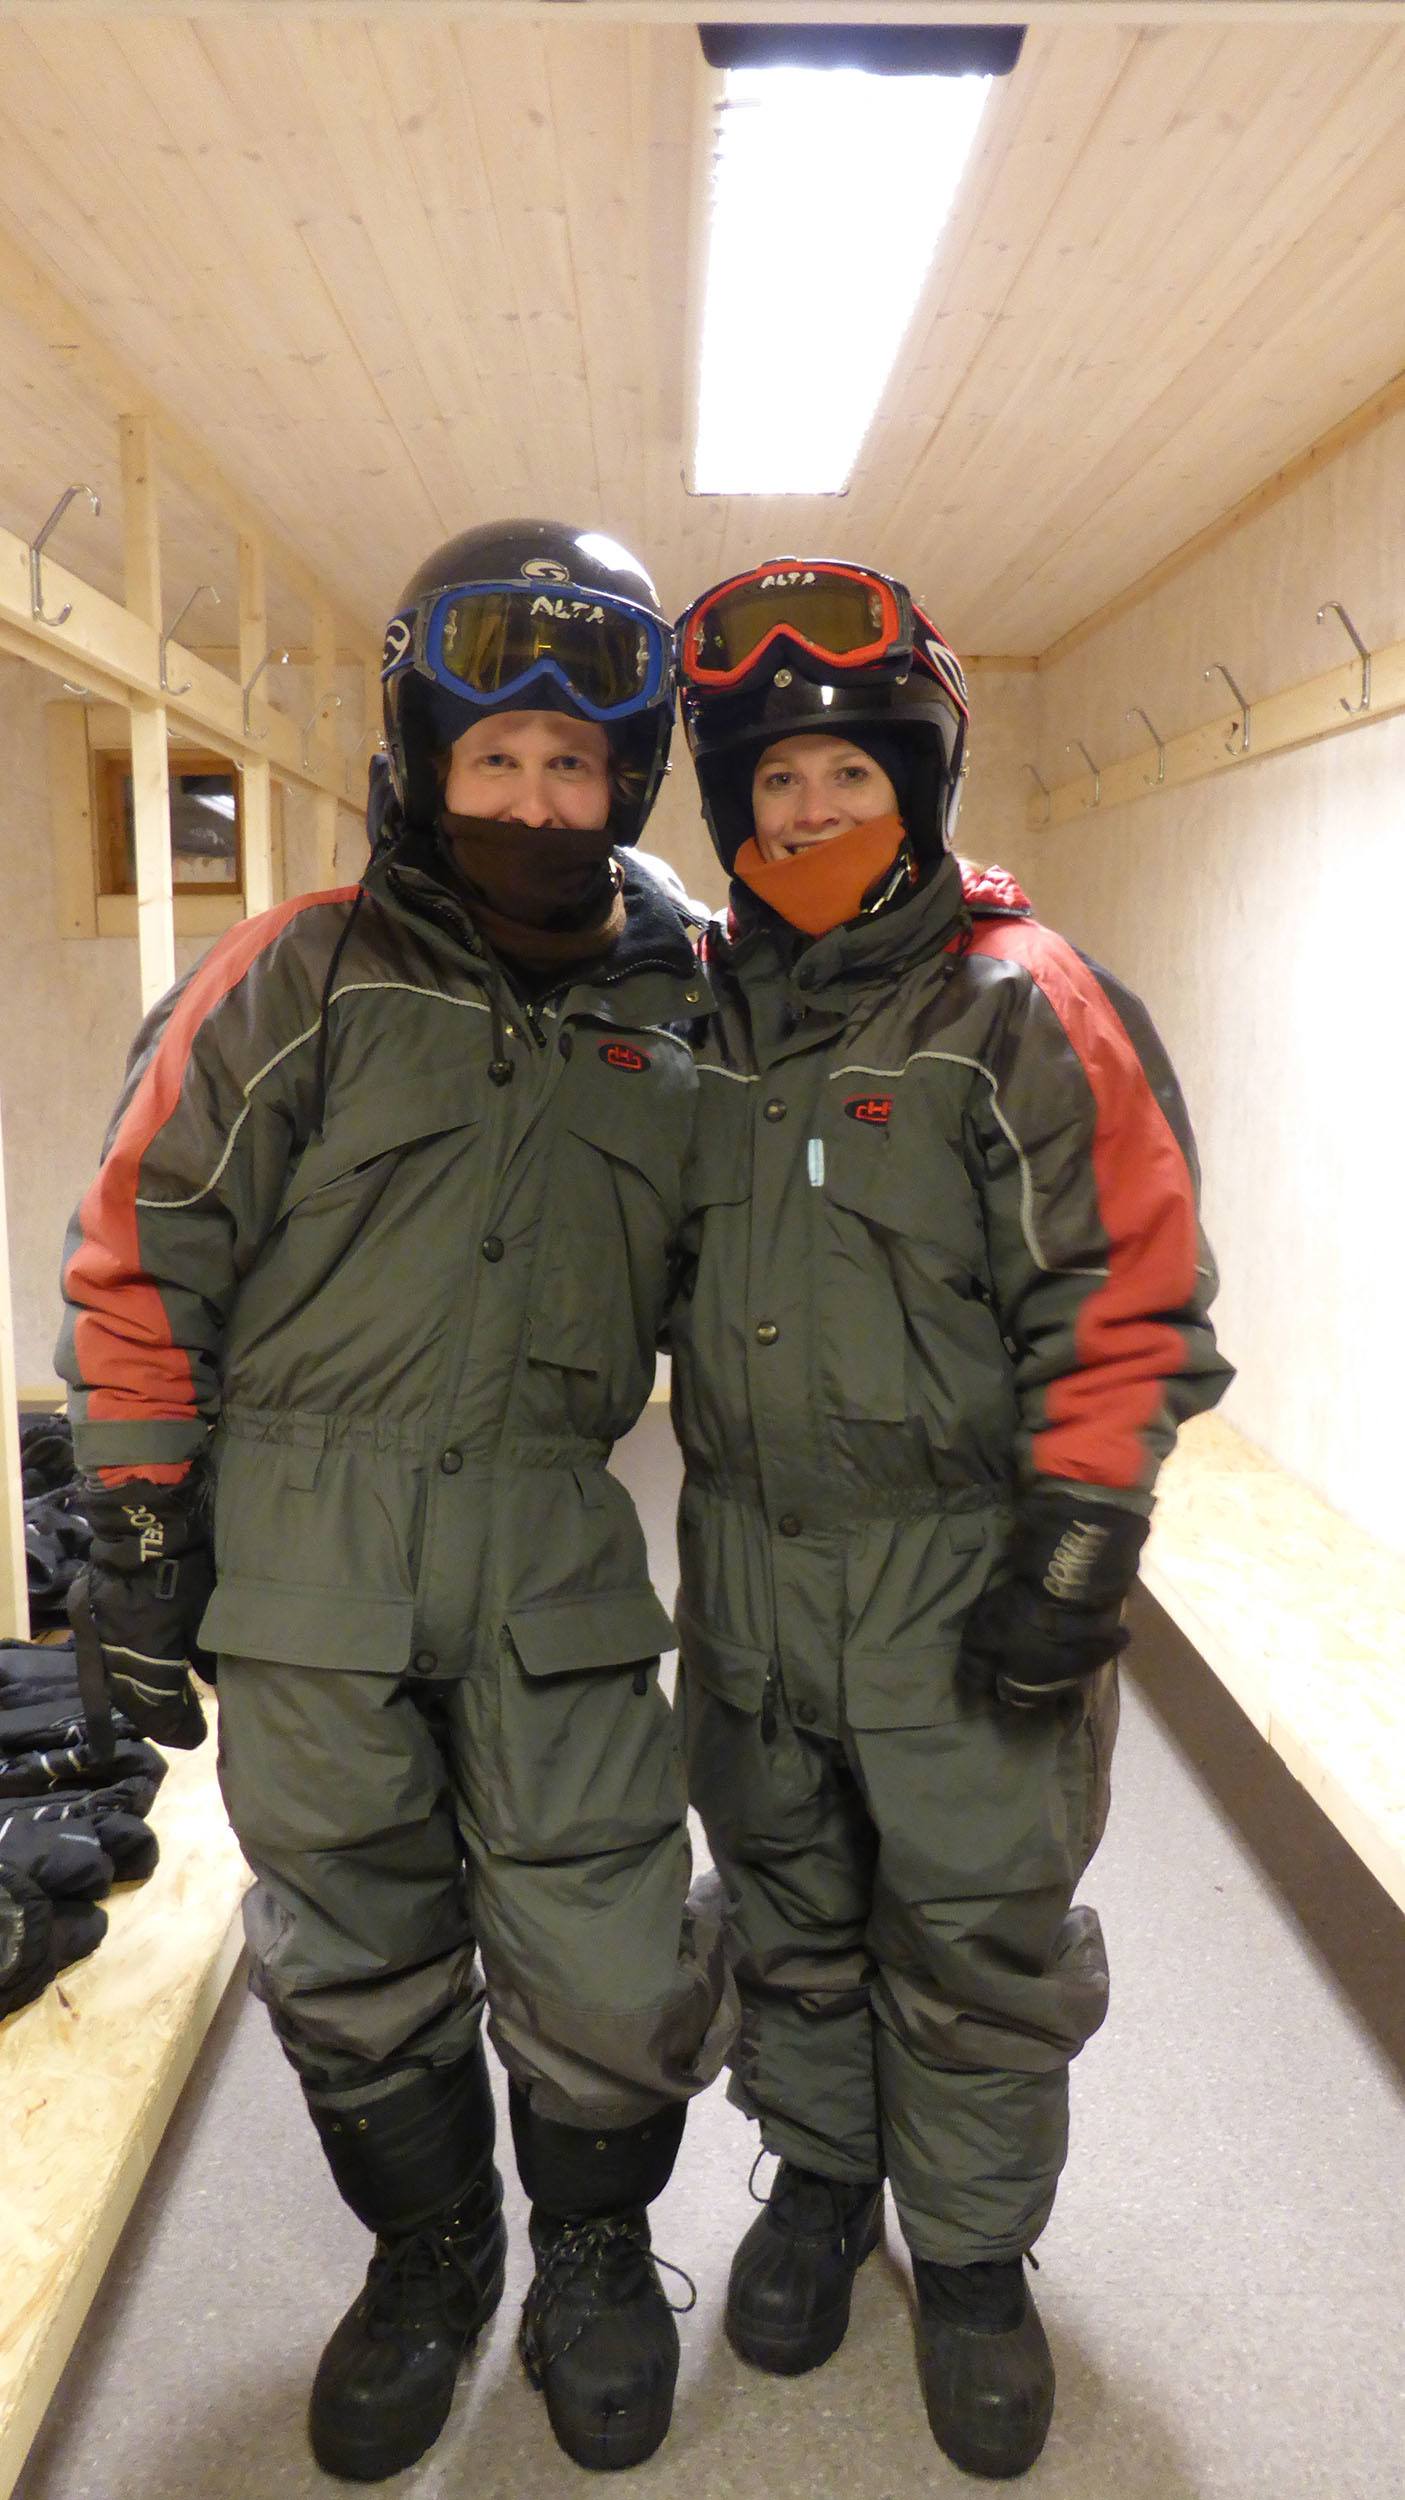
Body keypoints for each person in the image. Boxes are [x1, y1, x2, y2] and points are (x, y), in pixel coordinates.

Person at [57, 520, 734, 2482]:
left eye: (575, 766)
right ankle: (433, 2250)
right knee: (351, 1932)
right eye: (495, 756)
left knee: (610, 1925)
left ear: (626, 782)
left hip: (548, 1529)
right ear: (426, 756)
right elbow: (138, 1252)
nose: (534, 799)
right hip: (309, 1538)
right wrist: (141, 1521)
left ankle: (593, 2249)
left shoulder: (681, 1003)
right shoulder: (301, 977)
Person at [666, 558, 1233, 2479]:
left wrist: (1081, 1540)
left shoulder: (1027, 1006)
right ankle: (822, 2179)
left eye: (840, 771)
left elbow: (1133, 1303)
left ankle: (975, 2259)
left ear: (918, 776)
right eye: (766, 783)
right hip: (748, 1562)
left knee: (976, 1929)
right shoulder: (701, 1015)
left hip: (955, 1567)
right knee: (793, 1907)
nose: (801, 813)